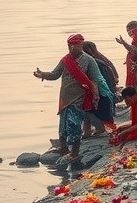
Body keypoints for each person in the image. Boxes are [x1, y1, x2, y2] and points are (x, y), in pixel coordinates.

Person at [34, 33, 100, 167]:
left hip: (79, 97)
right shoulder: (65, 60)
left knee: (74, 124)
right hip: (65, 96)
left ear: (80, 45)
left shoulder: (89, 60)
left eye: (75, 45)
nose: (71, 48)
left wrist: (96, 94)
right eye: (69, 46)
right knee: (63, 123)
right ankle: (63, 147)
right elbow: (55, 74)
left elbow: (95, 78)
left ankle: (74, 152)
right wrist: (43, 75)